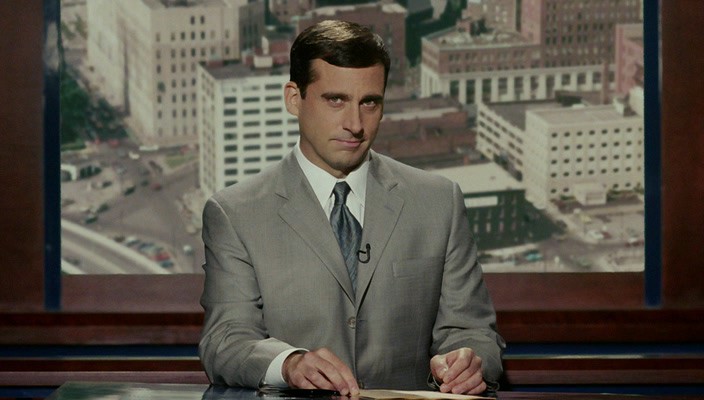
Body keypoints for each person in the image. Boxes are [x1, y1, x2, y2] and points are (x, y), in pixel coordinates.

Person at [199, 20, 505, 396]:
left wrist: (469, 362)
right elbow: (225, 341)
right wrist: (289, 364)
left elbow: (474, 333)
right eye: (336, 100)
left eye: (369, 103)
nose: (355, 124)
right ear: (294, 98)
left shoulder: (439, 201)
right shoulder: (235, 213)